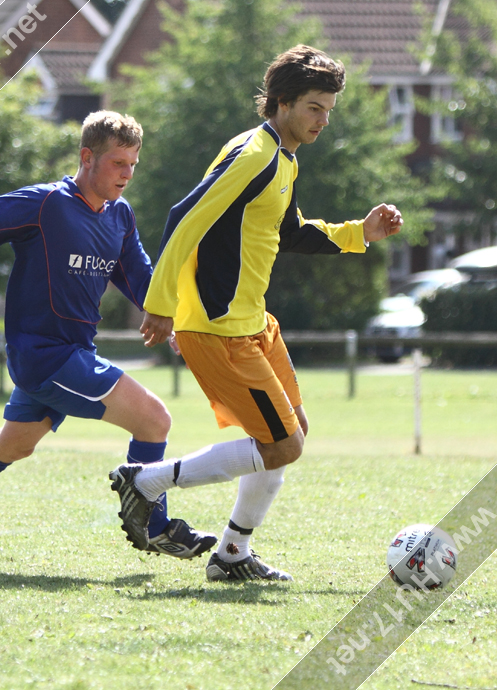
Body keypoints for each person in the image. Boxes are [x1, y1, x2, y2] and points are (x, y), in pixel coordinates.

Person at [109, 45, 403, 581]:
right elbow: (184, 218)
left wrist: (361, 232)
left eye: (329, 109)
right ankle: (146, 482)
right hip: (218, 327)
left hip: (252, 323)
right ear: (283, 102)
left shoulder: (282, 158)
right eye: (315, 107)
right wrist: (159, 305)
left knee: (290, 435)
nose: (324, 119)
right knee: (281, 443)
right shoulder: (254, 155)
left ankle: (232, 555)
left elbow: (286, 231)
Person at [0, 110, 216, 569]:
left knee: (15, 444)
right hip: (45, 355)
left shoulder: (120, 215)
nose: (127, 174)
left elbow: (139, 275)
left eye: (133, 164)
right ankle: (153, 526)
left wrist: (171, 317)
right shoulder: (47, 204)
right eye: (118, 163)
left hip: (72, 353)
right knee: (154, 419)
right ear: (87, 157)